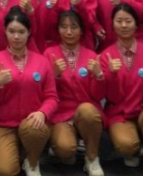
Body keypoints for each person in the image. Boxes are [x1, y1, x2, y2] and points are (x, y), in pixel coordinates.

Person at [0, 7, 57, 176]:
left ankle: (32, 161)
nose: (16, 36)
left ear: (29, 32)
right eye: (12, 31)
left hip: (32, 123)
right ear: (5, 31)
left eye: (21, 32)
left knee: (34, 129)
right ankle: (18, 150)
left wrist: (42, 113)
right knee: (5, 171)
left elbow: (52, 97)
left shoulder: (42, 61)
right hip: (3, 125)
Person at [99, 4, 143, 176]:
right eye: (119, 21)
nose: (124, 25)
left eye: (128, 21)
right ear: (112, 24)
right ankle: (139, 149)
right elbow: (109, 96)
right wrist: (111, 75)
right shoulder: (106, 56)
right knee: (126, 146)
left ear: (136, 24)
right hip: (120, 112)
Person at [43, 10, 105, 176]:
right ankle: (65, 141)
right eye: (64, 27)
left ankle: (92, 157)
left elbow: (98, 96)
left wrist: (99, 75)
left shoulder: (91, 55)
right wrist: (54, 75)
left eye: (74, 27)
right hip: (61, 114)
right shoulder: (49, 54)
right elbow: (44, 93)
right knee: (65, 150)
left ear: (82, 30)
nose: (69, 32)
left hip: (86, 113)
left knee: (87, 109)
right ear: (58, 29)